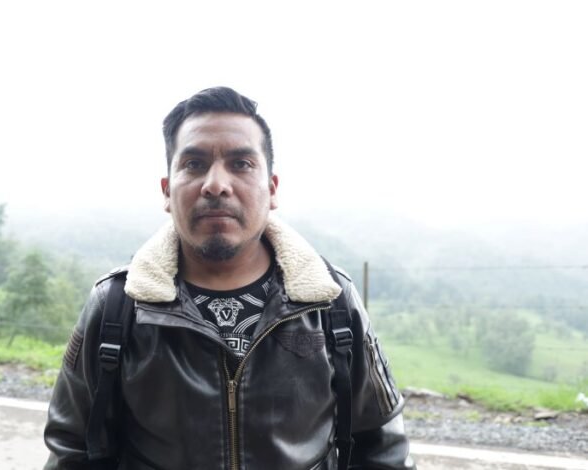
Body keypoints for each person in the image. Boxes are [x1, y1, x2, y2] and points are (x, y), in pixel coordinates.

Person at [44, 87, 416, 469]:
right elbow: (73, 448)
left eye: (241, 164)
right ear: (167, 191)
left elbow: (382, 448)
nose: (216, 184)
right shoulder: (118, 306)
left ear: (271, 189)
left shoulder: (331, 301)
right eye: (194, 164)